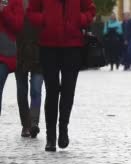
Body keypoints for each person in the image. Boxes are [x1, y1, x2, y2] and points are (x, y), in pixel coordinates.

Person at [27, 0, 96, 151]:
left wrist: (80, 19)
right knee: (51, 91)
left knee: (68, 91)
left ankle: (63, 129)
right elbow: (31, 12)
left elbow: (90, 10)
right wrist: (45, 19)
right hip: (48, 46)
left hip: (73, 47)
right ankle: (50, 136)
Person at [15, 0, 42, 138]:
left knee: (36, 89)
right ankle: (25, 124)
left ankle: (34, 123)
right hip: (19, 52)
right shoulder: (15, 3)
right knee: (22, 91)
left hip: (39, 52)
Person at [0, 0, 24, 132]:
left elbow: (17, 25)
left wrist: (4, 11)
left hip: (4, 55)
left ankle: (28, 123)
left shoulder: (15, 2)